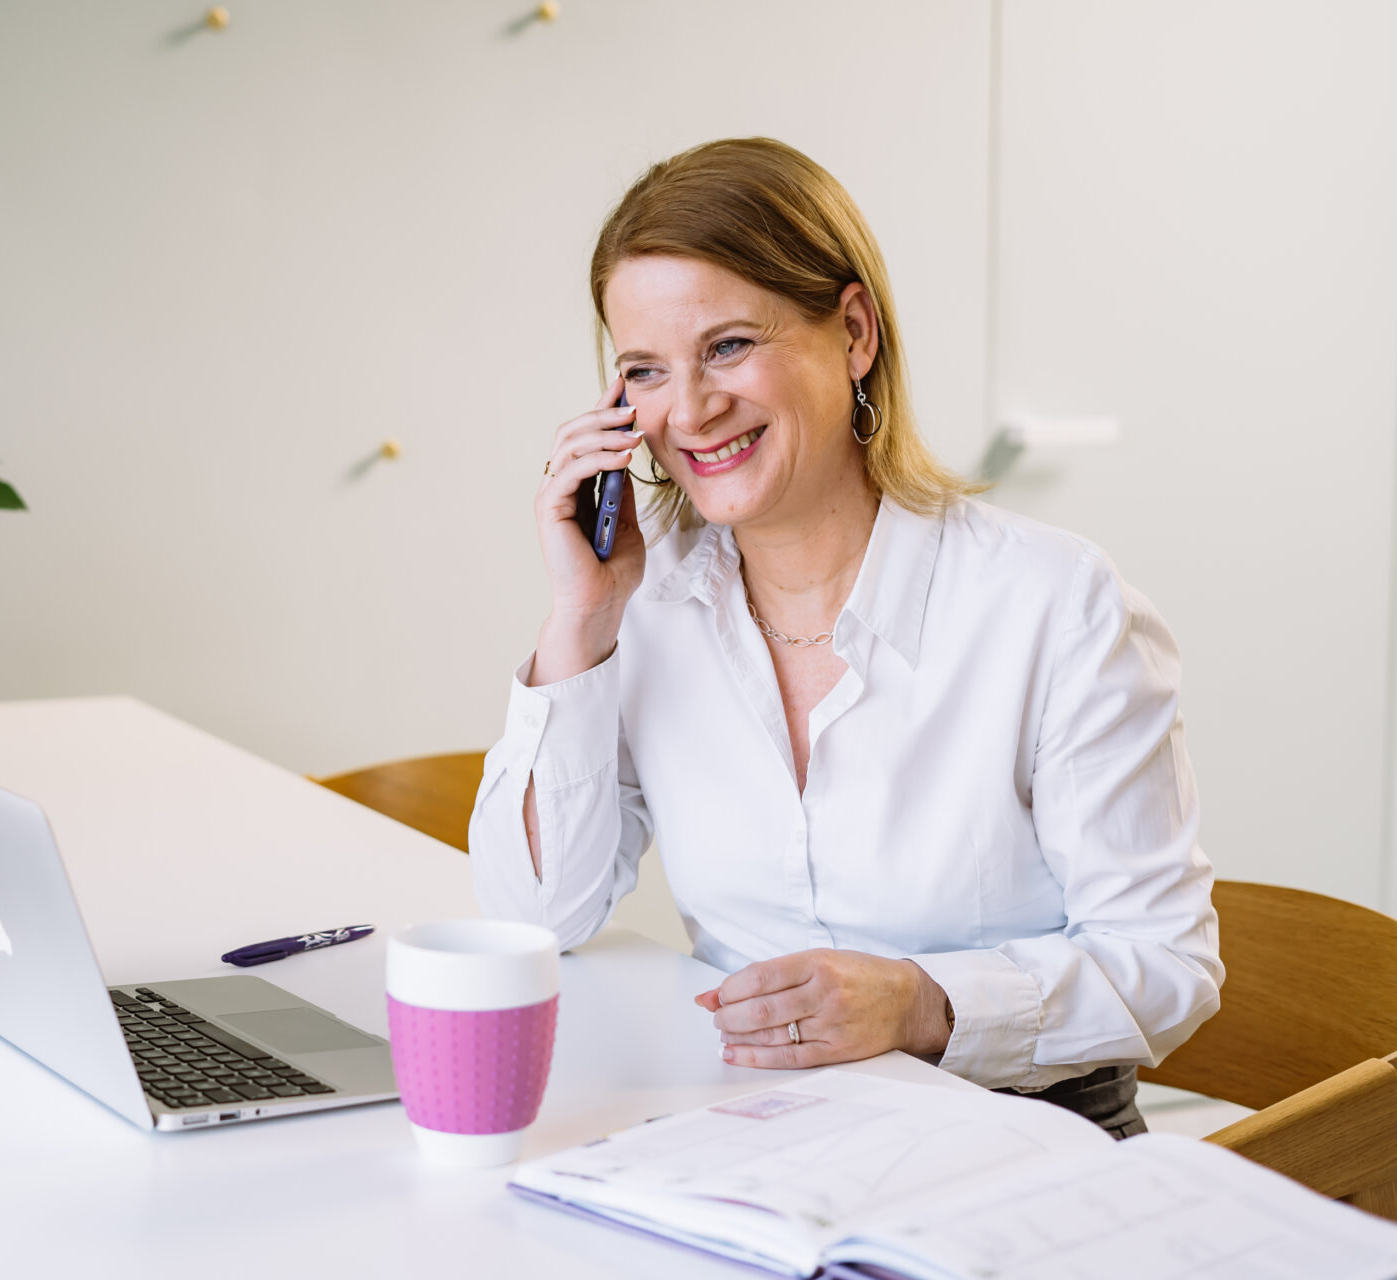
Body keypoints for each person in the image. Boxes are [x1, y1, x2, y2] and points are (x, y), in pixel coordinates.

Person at [467, 137, 1222, 1137]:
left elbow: (1166, 964)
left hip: (1019, 1138)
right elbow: (536, 918)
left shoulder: (1054, 602)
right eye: (646, 369)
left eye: (730, 345)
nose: (689, 410)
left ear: (854, 331)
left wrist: (922, 1001)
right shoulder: (646, 606)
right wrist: (581, 618)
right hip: (760, 1135)